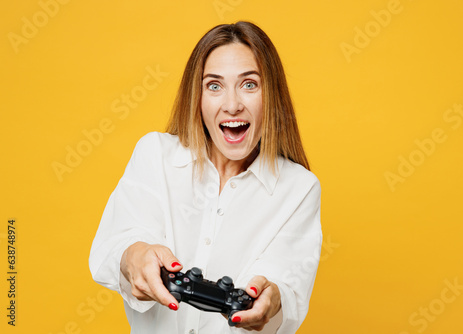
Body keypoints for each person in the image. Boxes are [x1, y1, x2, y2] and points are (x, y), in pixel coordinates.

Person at [89, 21, 322, 334]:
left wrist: (275, 298)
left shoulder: (299, 189)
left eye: (249, 84)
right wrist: (134, 256)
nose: (232, 104)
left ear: (272, 95)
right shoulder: (155, 154)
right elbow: (116, 241)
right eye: (214, 86)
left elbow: (286, 286)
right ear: (196, 98)